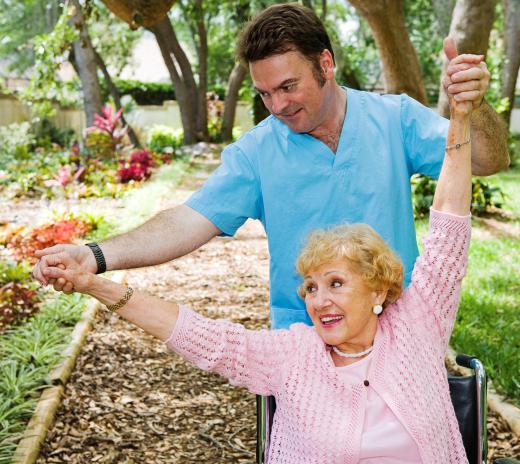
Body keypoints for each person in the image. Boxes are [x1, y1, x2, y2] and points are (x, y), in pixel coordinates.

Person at [42, 81, 475, 463]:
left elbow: (449, 224)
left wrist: (460, 116)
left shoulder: (418, 328)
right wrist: (95, 275)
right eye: (310, 288)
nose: (319, 300)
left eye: (336, 284)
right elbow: (200, 336)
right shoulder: (296, 357)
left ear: (379, 291)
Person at [32, 4, 509, 330]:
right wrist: (95, 256)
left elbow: (490, 160)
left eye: (287, 87)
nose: (276, 105)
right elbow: (186, 221)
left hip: (400, 332)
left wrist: (474, 105)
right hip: (305, 341)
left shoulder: (395, 118)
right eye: (263, 93)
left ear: (326, 63)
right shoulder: (258, 152)